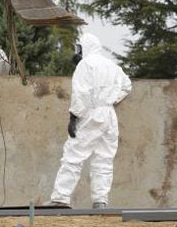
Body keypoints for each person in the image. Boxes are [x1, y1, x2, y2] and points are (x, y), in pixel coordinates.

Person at [45, 33, 132, 209]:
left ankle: (60, 198)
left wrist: (73, 116)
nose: (77, 53)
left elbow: (81, 93)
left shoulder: (85, 64)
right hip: (109, 115)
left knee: (73, 155)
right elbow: (127, 85)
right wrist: (112, 100)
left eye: (79, 49)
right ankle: (100, 200)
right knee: (104, 159)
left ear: (86, 47)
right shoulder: (112, 65)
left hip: (91, 113)